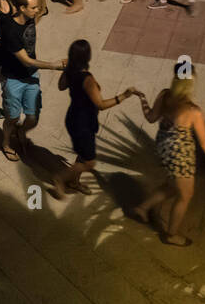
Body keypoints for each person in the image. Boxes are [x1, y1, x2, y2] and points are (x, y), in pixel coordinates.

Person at [130, 61, 205, 246]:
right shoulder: (193, 111)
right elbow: (204, 141)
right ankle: (171, 235)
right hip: (180, 154)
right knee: (185, 195)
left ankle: (143, 208)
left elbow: (150, 117)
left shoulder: (164, 95)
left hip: (163, 147)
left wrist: (142, 98)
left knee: (172, 184)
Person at [49, 40, 142, 199]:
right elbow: (101, 105)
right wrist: (124, 96)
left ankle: (74, 182)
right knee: (89, 163)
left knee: (83, 154)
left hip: (74, 117)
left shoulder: (71, 71)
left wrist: (66, 68)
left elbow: (61, 86)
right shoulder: (87, 79)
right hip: (83, 122)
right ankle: (61, 178)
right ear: (87, 56)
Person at [0, 0, 66, 161]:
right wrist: (54, 65)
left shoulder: (30, 19)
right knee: (12, 117)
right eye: (33, 7)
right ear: (22, 8)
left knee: (33, 117)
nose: (37, 10)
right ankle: (6, 144)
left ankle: (21, 132)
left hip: (31, 76)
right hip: (13, 79)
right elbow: (26, 60)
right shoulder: (10, 31)